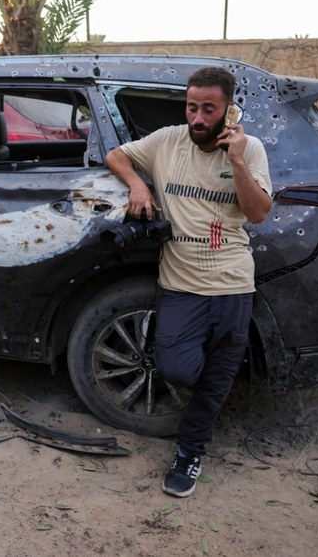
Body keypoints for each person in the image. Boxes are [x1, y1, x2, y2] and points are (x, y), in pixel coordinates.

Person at [105, 67, 273, 498]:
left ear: (228, 110)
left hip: (233, 283)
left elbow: (257, 213)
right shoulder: (167, 140)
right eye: (192, 107)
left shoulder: (249, 150)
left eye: (208, 109)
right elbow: (115, 155)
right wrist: (138, 185)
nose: (198, 118)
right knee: (178, 367)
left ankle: (189, 451)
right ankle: (211, 401)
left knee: (218, 372)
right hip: (181, 283)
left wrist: (235, 160)